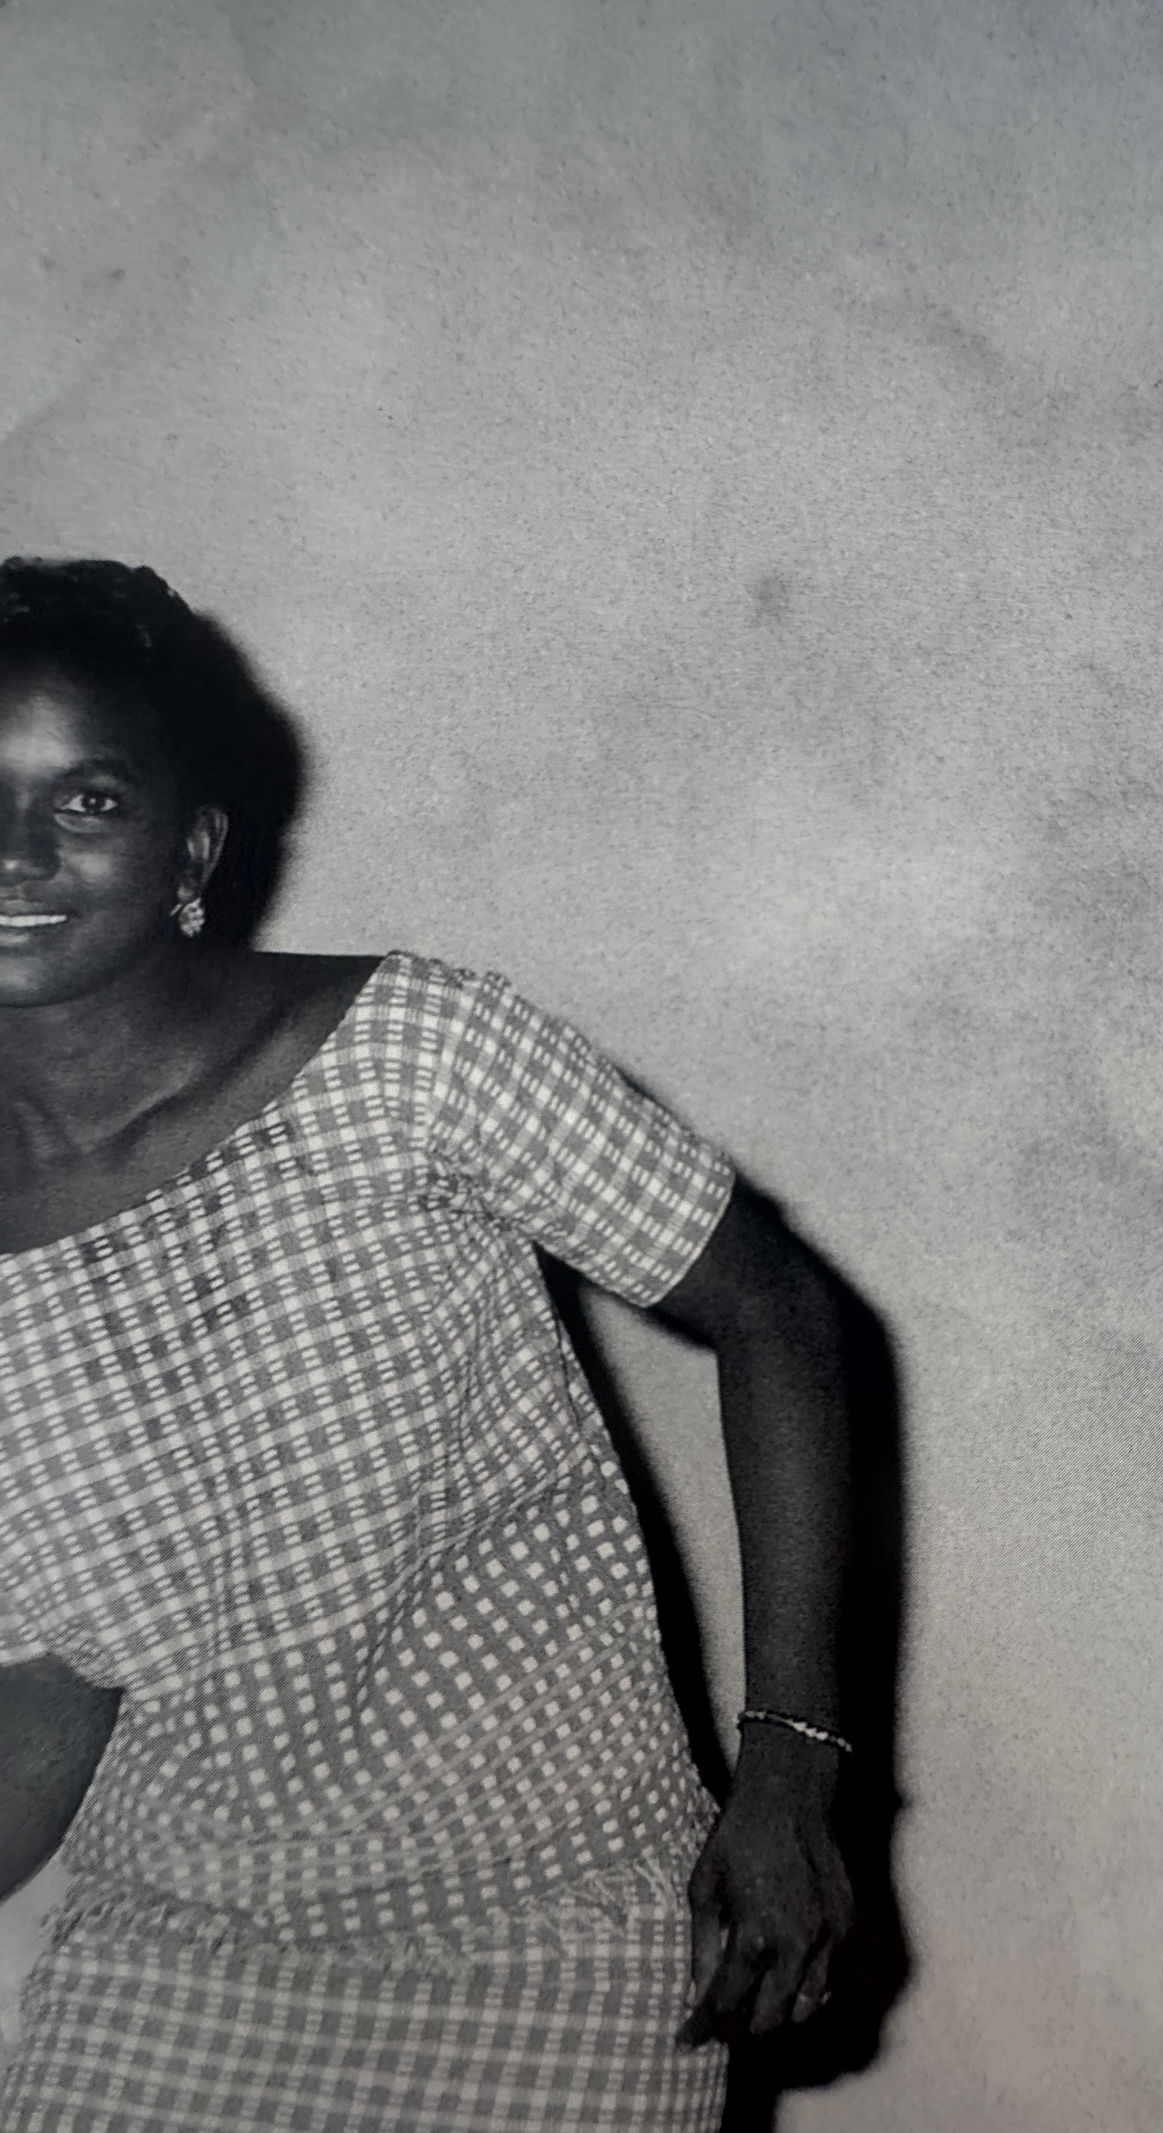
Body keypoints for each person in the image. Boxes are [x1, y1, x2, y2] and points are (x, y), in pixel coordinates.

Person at [0, 557, 860, 2132]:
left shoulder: (417, 1055)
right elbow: (55, 1671)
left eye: (90, 797)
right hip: (177, 1943)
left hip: (556, 1912)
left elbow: (781, 1312)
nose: (16, 852)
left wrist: (790, 1767)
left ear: (192, 844)